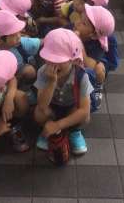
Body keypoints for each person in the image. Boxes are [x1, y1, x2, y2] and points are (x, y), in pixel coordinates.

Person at [34, 28, 92, 158]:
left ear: (73, 59)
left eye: (59, 60)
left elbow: (84, 111)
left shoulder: (81, 76)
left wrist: (58, 125)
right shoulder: (43, 72)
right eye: (49, 59)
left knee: (84, 117)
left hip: (71, 107)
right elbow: (42, 105)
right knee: (39, 113)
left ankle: (74, 131)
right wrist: (51, 82)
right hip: (52, 107)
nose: (53, 64)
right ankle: (47, 129)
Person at [75, 5, 118, 110]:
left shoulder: (98, 44)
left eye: (83, 23)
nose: (77, 22)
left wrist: (78, 42)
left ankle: (98, 86)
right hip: (76, 63)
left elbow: (88, 65)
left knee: (98, 69)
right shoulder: (73, 28)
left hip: (89, 64)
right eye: (80, 18)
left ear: (93, 35)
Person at [0, 10, 41, 85]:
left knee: (29, 71)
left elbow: (40, 42)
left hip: (17, 73)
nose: (19, 36)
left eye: (19, 32)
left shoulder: (20, 43)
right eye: (13, 35)